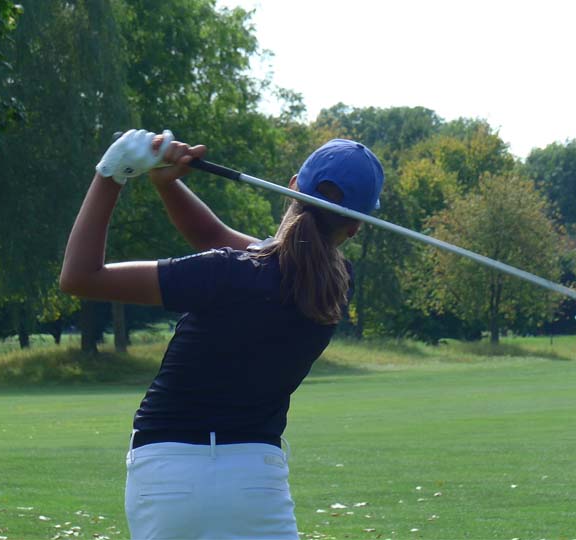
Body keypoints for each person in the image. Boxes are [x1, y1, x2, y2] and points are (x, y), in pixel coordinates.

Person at [59, 129, 385, 540]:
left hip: (166, 472)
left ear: (292, 188)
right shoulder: (335, 286)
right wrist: (168, 182)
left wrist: (110, 174)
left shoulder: (225, 271)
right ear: (356, 227)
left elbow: (80, 277)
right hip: (255, 479)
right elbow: (221, 242)